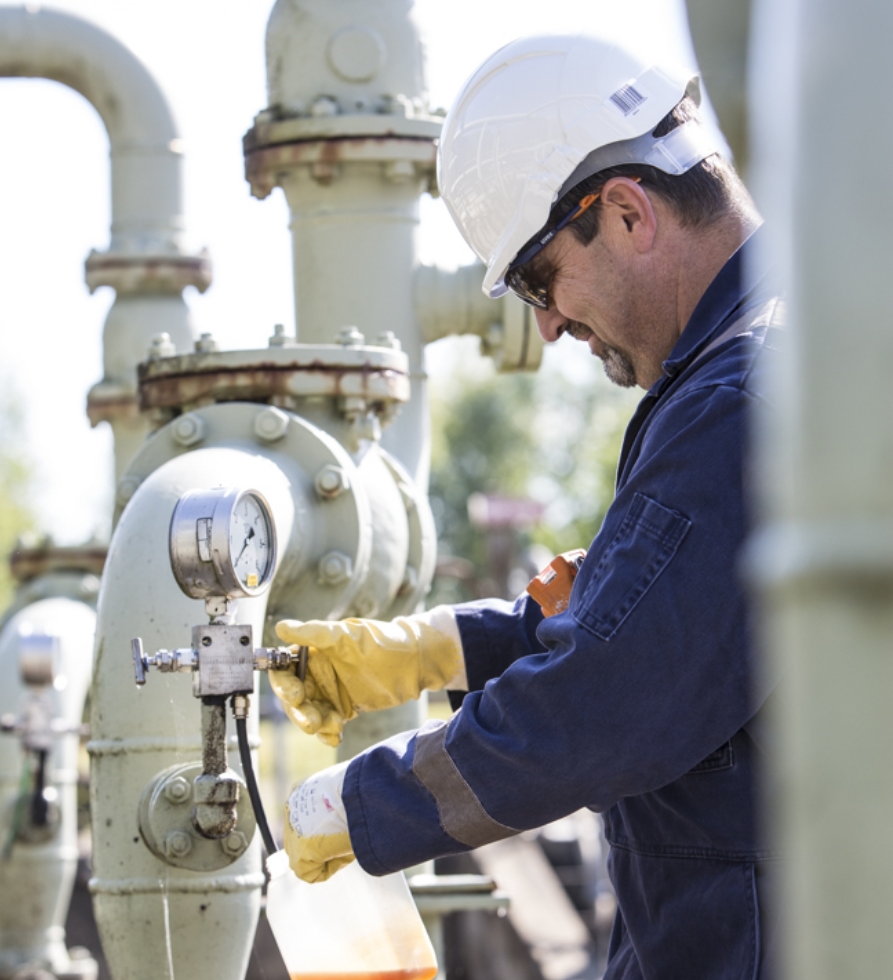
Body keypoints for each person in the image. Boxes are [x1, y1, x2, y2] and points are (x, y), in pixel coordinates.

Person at [272, 32, 783, 980]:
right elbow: (642, 618)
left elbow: (611, 699)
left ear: (626, 212)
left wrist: (357, 806)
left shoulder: (738, 402)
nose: (544, 323)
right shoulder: (752, 368)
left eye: (539, 280)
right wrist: (432, 651)